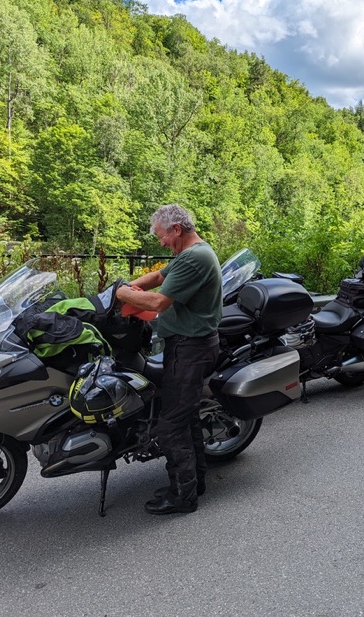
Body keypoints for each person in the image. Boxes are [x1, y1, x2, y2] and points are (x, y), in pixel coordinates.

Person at [116, 204, 222, 515]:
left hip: (191, 350)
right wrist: (128, 285)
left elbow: (159, 301)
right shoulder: (190, 254)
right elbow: (159, 276)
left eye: (162, 236)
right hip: (190, 346)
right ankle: (194, 483)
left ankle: (183, 496)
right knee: (185, 418)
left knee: (171, 425)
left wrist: (122, 295)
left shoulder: (195, 257)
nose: (161, 242)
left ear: (177, 229)